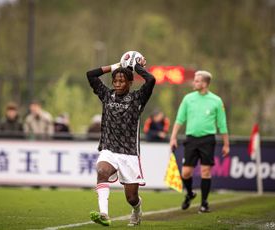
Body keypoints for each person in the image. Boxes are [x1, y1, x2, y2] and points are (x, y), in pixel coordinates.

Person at [86, 57, 155, 226]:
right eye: (115, 81)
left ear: (130, 83)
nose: (117, 84)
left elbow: (151, 79)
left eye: (122, 81)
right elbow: (90, 75)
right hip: (109, 149)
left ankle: (137, 210)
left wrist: (136, 66)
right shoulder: (107, 95)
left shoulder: (137, 98)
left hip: (129, 153)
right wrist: (116, 66)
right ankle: (104, 214)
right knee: (101, 171)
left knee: (131, 198)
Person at [169, 70, 230, 213]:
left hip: (208, 140)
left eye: (197, 81)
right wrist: (173, 137)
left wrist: (226, 144)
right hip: (191, 139)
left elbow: (222, 124)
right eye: (194, 80)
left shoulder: (216, 101)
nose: (194, 83)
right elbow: (179, 119)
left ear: (205, 83)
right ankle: (190, 194)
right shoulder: (188, 99)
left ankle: (204, 203)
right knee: (185, 173)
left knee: (205, 171)